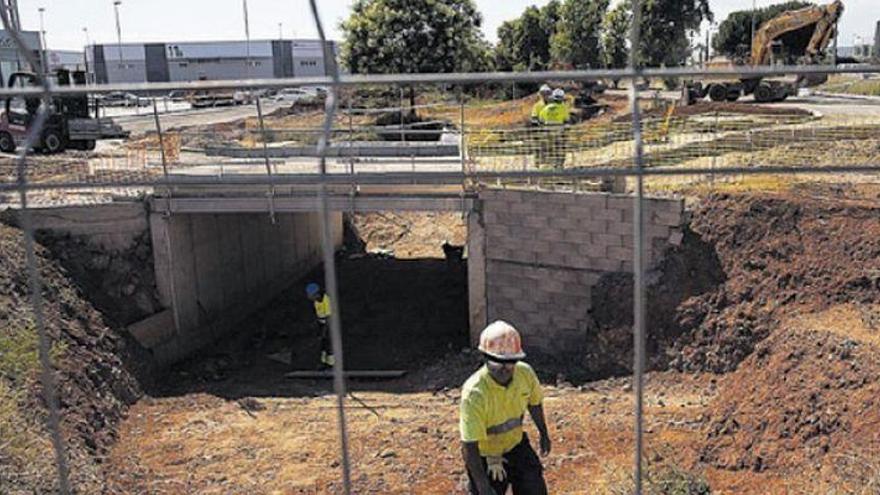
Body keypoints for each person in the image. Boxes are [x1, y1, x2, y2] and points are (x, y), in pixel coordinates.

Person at [460, 321, 551, 495]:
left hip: (516, 446)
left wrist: (543, 432)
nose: (503, 369)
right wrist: (483, 487)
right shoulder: (475, 393)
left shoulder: (525, 375)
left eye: (509, 363)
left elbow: (535, 403)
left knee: (534, 488)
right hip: (485, 455)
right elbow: (469, 446)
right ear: (485, 358)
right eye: (496, 363)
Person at [537, 88, 571, 169]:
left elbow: (540, 121)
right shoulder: (563, 108)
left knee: (550, 150)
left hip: (547, 133)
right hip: (559, 133)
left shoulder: (545, 108)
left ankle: (549, 166)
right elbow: (567, 121)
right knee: (560, 149)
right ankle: (559, 166)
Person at [305, 282, 334, 369]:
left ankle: (331, 364)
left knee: (328, 343)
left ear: (316, 294)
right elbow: (318, 314)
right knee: (322, 344)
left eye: (310, 295)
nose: (308, 297)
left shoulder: (326, 300)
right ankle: (323, 362)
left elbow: (329, 318)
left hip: (328, 325)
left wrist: (324, 332)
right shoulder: (316, 301)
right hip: (321, 323)